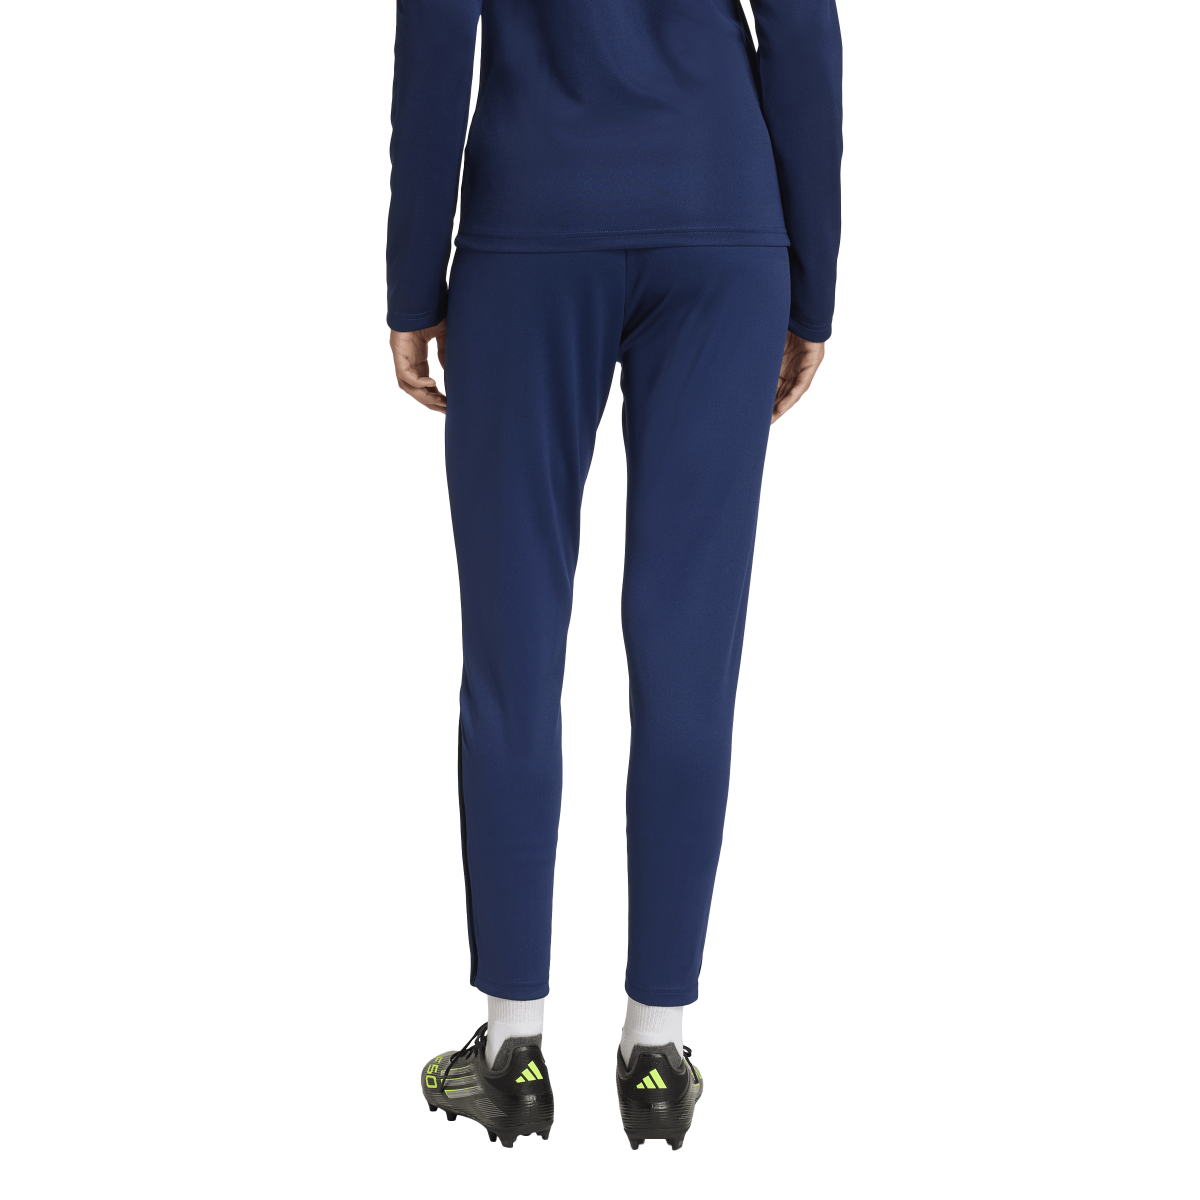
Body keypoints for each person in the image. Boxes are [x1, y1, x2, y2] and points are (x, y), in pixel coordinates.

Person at [389, 0, 842, 1151]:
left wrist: (409, 287)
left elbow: (437, 32)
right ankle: (656, 1052)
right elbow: (801, 30)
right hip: (723, 224)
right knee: (691, 645)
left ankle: (513, 1049)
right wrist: (812, 288)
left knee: (512, 644)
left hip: (531, 224)